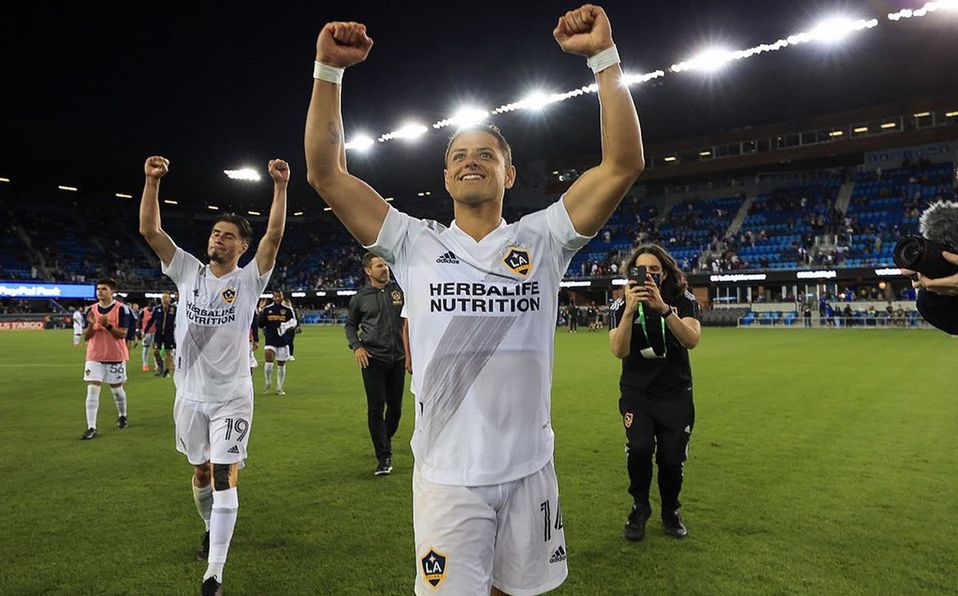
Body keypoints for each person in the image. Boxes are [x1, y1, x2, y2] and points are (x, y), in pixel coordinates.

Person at [305, 6, 644, 593]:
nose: (471, 161)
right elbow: (327, 174)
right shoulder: (413, 243)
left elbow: (623, 164)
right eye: (459, 155)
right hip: (448, 476)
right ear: (445, 177)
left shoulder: (544, 238)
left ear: (509, 176)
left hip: (529, 469)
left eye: (486, 154)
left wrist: (604, 60)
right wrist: (327, 73)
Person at [138, 155, 288, 596]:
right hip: (189, 396)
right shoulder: (187, 270)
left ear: (242, 246)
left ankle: (214, 574)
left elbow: (274, 236)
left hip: (232, 398)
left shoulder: (249, 281)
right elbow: (151, 230)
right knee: (201, 474)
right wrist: (151, 181)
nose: (218, 240)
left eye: (227, 237)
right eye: (215, 234)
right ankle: (209, 527)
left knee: (224, 475)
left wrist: (280, 187)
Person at [608, 245, 701, 542]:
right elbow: (618, 350)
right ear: (631, 274)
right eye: (641, 271)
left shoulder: (682, 299)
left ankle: (671, 510)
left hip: (675, 392)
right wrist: (630, 311)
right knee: (639, 449)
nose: (647, 276)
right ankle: (640, 507)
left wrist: (664, 310)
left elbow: (692, 339)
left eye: (654, 271)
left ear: (665, 273)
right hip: (638, 393)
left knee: (672, 459)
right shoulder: (621, 305)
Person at [345, 252, 408, 475]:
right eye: (379, 265)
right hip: (373, 360)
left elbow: (409, 322)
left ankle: (384, 438)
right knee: (375, 408)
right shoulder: (360, 298)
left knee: (396, 410)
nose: (385, 269)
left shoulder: (400, 291)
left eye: (386, 265)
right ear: (368, 271)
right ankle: (383, 456)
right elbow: (350, 326)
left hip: (398, 358)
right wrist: (357, 346)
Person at [80, 278, 132, 439]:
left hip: (115, 355)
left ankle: (122, 415)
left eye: (103, 289)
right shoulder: (90, 310)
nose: (99, 292)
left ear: (112, 291)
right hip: (94, 356)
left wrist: (107, 326)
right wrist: (91, 325)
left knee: (117, 390)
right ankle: (91, 427)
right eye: (98, 289)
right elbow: (86, 337)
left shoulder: (122, 309)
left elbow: (123, 334)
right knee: (92, 389)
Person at [258, 290, 296, 395]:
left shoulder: (287, 310)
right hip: (270, 339)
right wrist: (260, 312)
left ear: (282, 296)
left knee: (281, 365)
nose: (277, 298)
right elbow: (260, 324)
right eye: (275, 296)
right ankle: (268, 382)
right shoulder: (267, 309)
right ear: (273, 297)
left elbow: (294, 322)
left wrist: (285, 326)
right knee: (269, 363)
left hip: (283, 341)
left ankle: (279, 387)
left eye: (279, 296)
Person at [149, 291, 177, 376]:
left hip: (169, 334)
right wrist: (145, 330)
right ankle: (160, 366)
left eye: (166, 297)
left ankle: (167, 370)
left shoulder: (174, 308)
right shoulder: (157, 308)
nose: (164, 299)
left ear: (169, 299)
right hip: (158, 334)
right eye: (163, 297)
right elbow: (151, 320)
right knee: (156, 351)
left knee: (168, 352)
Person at [140, 300, 155, 372]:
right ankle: (145, 364)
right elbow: (139, 320)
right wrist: (140, 330)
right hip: (147, 332)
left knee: (155, 349)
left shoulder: (156, 311)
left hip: (155, 332)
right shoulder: (144, 311)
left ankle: (156, 365)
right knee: (146, 348)